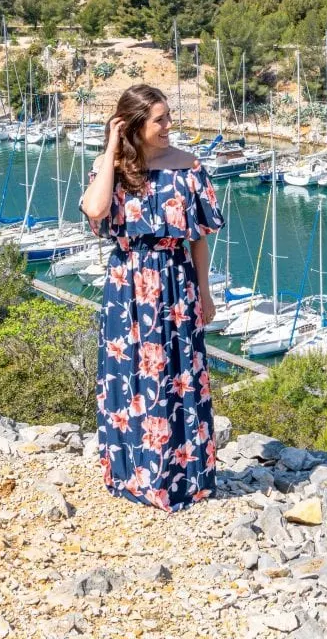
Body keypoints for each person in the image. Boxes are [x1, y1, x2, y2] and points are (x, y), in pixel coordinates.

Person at [79, 84, 225, 512]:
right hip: (127, 288)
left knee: (179, 377)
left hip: (176, 285)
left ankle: (183, 480)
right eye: (159, 119)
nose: (168, 126)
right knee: (131, 380)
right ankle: (133, 476)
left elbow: (198, 239)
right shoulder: (112, 168)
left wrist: (205, 292)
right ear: (135, 125)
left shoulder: (189, 167)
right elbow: (95, 210)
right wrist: (111, 147)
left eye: (168, 117)